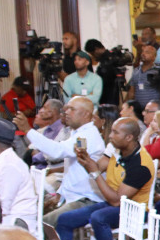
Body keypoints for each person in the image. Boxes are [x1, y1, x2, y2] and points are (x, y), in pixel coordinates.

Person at [55, 118, 154, 240]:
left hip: (134, 210)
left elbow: (116, 201)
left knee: (99, 217)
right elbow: (97, 167)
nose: (110, 136)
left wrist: (94, 172)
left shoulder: (141, 165)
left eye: (115, 132)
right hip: (113, 204)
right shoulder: (116, 149)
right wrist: (86, 159)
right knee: (64, 219)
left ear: (129, 137)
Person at [13, 97, 106, 229]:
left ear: (86, 114)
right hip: (73, 197)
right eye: (67, 109)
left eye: (72, 109)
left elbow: (57, 151)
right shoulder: (78, 133)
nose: (66, 112)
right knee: (32, 216)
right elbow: (71, 171)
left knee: (39, 226)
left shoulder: (88, 135)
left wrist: (28, 130)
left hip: (86, 200)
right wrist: (60, 193)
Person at [0, 118, 38, 229]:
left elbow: (2, 208)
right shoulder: (3, 161)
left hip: (16, 225)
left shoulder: (10, 166)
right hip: (6, 221)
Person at [127, 44, 160, 109]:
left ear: (154, 57)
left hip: (153, 110)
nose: (143, 54)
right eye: (142, 52)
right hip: (138, 109)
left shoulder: (158, 71)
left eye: (147, 52)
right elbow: (131, 92)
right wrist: (125, 105)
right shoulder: (136, 71)